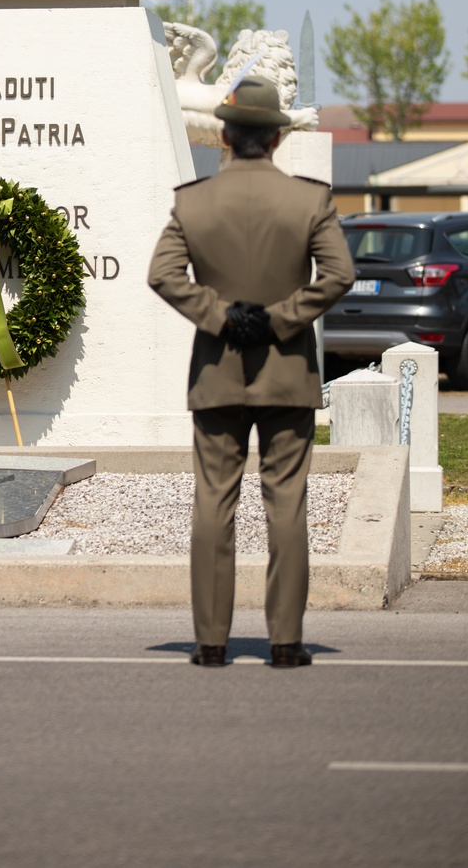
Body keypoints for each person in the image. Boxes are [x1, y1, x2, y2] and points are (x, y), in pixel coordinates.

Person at [148, 75, 354, 668]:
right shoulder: (310, 200)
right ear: (276, 140)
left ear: (228, 137)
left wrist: (223, 317)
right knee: (286, 503)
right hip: (287, 369)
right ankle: (285, 642)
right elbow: (338, 275)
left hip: (217, 370)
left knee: (214, 502)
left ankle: (211, 641)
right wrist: (280, 319)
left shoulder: (193, 201)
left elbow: (163, 275)